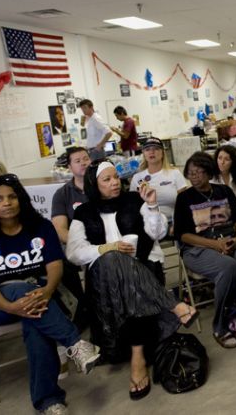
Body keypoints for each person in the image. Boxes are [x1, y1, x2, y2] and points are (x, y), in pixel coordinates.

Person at [0, 174, 101, 415]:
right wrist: (11, 307)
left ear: (21, 200)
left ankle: (49, 402)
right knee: (23, 291)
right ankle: (74, 342)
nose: (7, 203)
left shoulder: (41, 226)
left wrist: (47, 292)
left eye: (12, 197)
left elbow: (55, 266)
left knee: (35, 322)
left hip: (41, 298)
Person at [66, 160, 198, 400]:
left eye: (116, 177)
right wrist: (107, 248)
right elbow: (74, 253)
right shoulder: (83, 212)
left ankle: (138, 358)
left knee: (131, 283)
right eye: (106, 180)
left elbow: (157, 234)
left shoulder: (134, 200)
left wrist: (152, 205)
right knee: (114, 258)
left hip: (143, 267)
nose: (115, 182)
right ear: (93, 184)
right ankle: (172, 305)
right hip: (105, 280)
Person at [174, 152, 236, 349]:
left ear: (209, 172)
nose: (194, 177)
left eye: (199, 173)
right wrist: (215, 245)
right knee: (228, 267)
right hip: (198, 248)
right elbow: (183, 235)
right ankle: (220, 327)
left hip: (230, 240)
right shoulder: (184, 198)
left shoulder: (223, 191)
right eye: (191, 173)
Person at [50, 146, 92, 333]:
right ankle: (83, 308)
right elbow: (59, 228)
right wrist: (81, 245)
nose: (84, 163)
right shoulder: (62, 194)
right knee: (62, 263)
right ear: (69, 167)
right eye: (78, 160)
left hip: (106, 241)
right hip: (76, 244)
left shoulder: (103, 184)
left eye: (86, 158)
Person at [128, 137, 188, 229]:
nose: (152, 152)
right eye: (147, 149)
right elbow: (133, 207)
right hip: (148, 224)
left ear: (162, 153)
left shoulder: (175, 173)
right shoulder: (137, 178)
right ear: (143, 153)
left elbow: (184, 203)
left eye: (156, 149)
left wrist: (178, 222)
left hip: (173, 222)